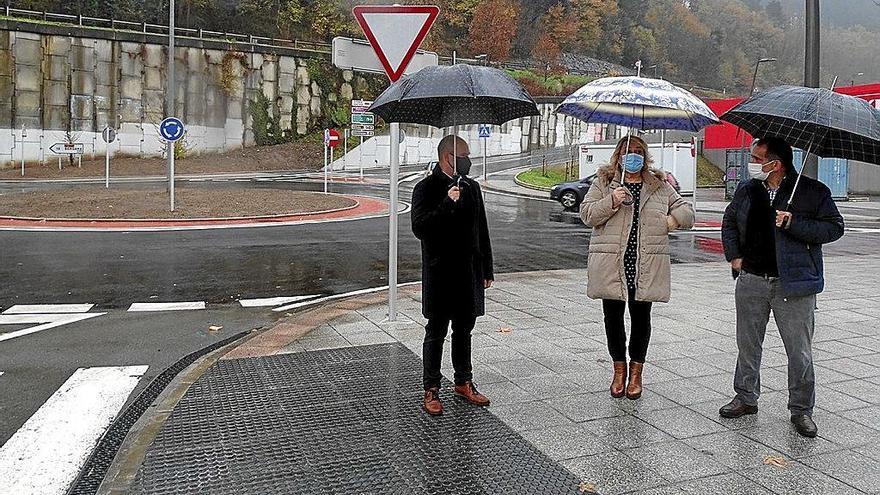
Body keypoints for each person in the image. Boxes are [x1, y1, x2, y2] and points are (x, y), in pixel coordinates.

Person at [719, 137, 844, 438]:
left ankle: (801, 409)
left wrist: (793, 223)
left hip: (795, 284)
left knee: (799, 351)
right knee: (748, 345)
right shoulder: (748, 190)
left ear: (775, 163)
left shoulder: (813, 192)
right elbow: (729, 222)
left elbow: (834, 227)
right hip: (752, 280)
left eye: (756, 157)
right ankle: (746, 397)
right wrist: (735, 257)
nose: (751, 163)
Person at [581, 136, 695, 399]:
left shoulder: (659, 185)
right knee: (613, 320)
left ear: (645, 156)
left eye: (637, 152)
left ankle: (636, 373)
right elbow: (587, 215)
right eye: (627, 151)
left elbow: (687, 213)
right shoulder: (605, 182)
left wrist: (670, 221)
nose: (632, 156)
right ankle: (618, 370)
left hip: (645, 265)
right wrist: (611, 200)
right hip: (612, 264)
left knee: (641, 320)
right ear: (618, 155)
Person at [411, 135, 494, 416]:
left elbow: (481, 230)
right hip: (440, 273)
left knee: (464, 330)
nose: (467, 160)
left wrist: (486, 269)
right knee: (436, 331)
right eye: (464, 155)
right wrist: (447, 203)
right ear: (448, 157)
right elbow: (420, 227)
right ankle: (431, 387)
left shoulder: (471, 187)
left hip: (468, 272)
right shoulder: (425, 188)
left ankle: (463, 381)